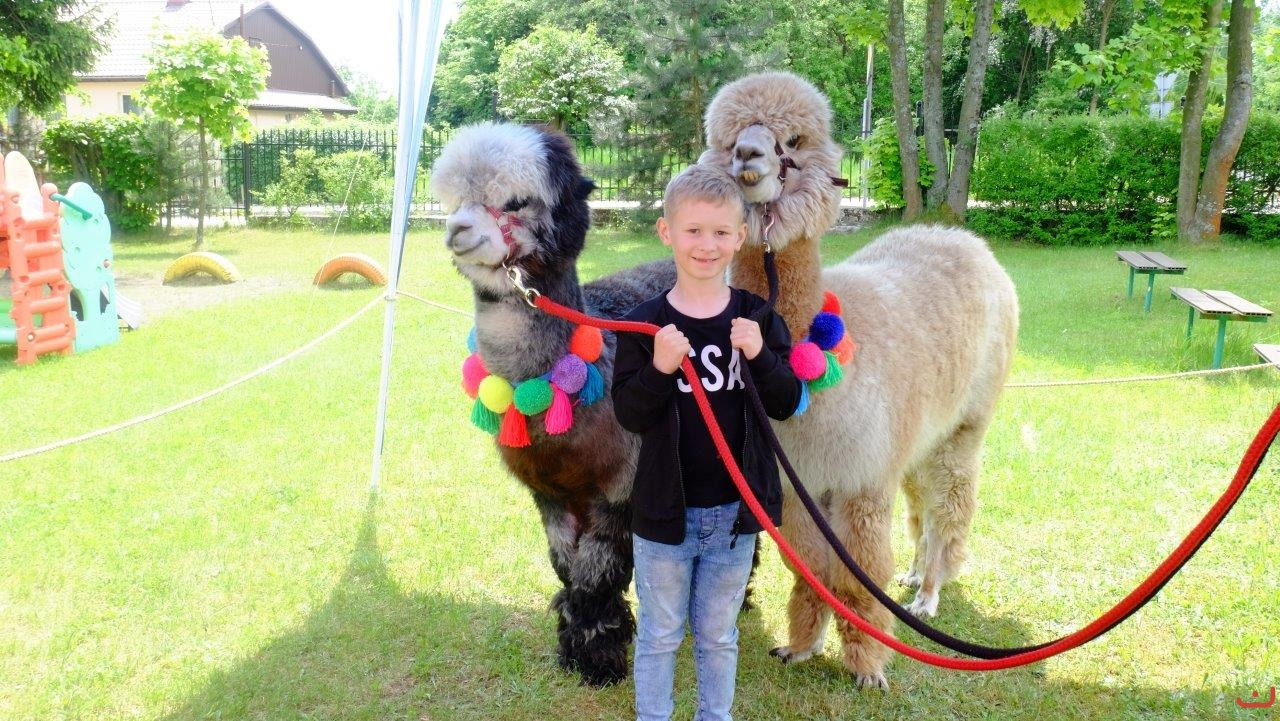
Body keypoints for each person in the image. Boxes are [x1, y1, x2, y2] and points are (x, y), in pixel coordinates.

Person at [611, 164, 802, 721]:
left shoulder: (756, 319)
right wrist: (659, 369)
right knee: (660, 634)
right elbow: (630, 413)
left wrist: (760, 355)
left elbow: (788, 401)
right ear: (666, 232)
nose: (706, 244)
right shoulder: (643, 325)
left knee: (718, 635)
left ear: (740, 237)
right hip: (663, 515)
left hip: (733, 516)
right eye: (693, 230)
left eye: (720, 232)